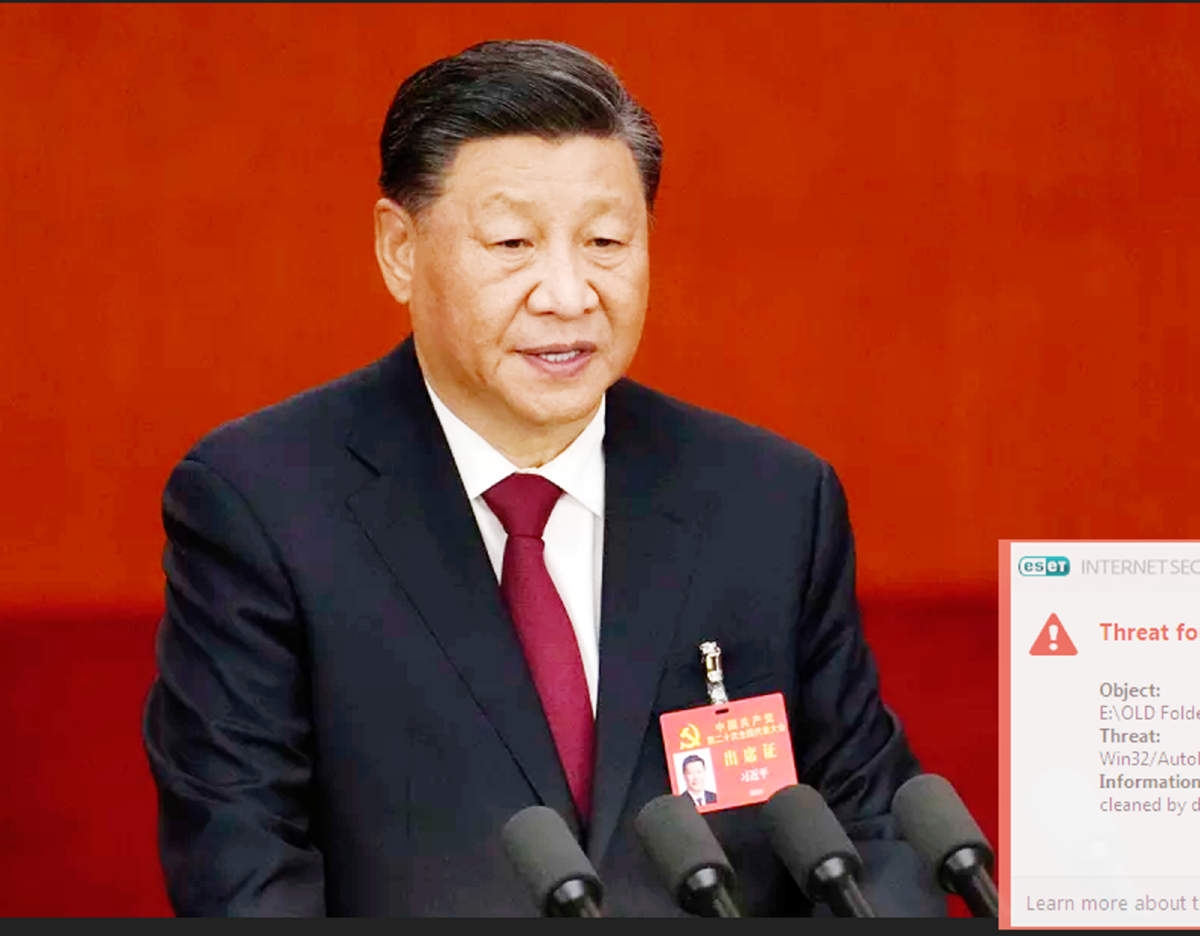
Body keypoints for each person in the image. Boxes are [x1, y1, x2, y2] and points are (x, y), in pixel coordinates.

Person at [142, 38, 945, 917]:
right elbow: (243, 872)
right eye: (513, 242)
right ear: (399, 249)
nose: (567, 293)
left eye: (605, 240)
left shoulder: (770, 501)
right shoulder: (263, 504)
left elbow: (873, 827)